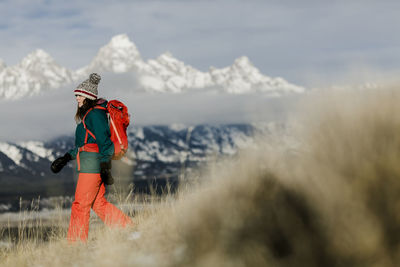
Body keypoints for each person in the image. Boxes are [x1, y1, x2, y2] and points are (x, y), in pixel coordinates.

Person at [51, 73, 132, 242]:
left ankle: (75, 245)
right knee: (98, 204)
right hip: (91, 164)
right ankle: (127, 228)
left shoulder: (95, 115)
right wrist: (65, 158)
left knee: (80, 205)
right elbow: (86, 145)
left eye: (79, 95)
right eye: (76, 95)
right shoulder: (91, 114)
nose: (77, 99)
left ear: (88, 96)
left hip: (92, 167)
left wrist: (104, 167)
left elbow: (104, 143)